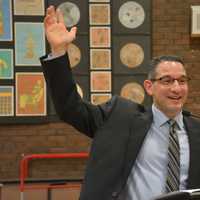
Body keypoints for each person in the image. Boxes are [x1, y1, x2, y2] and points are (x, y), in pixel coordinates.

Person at [40, 6, 200, 200]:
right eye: (167, 81)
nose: (176, 88)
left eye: (182, 81)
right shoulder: (119, 118)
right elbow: (69, 108)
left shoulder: (196, 130)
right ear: (149, 87)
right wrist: (58, 52)